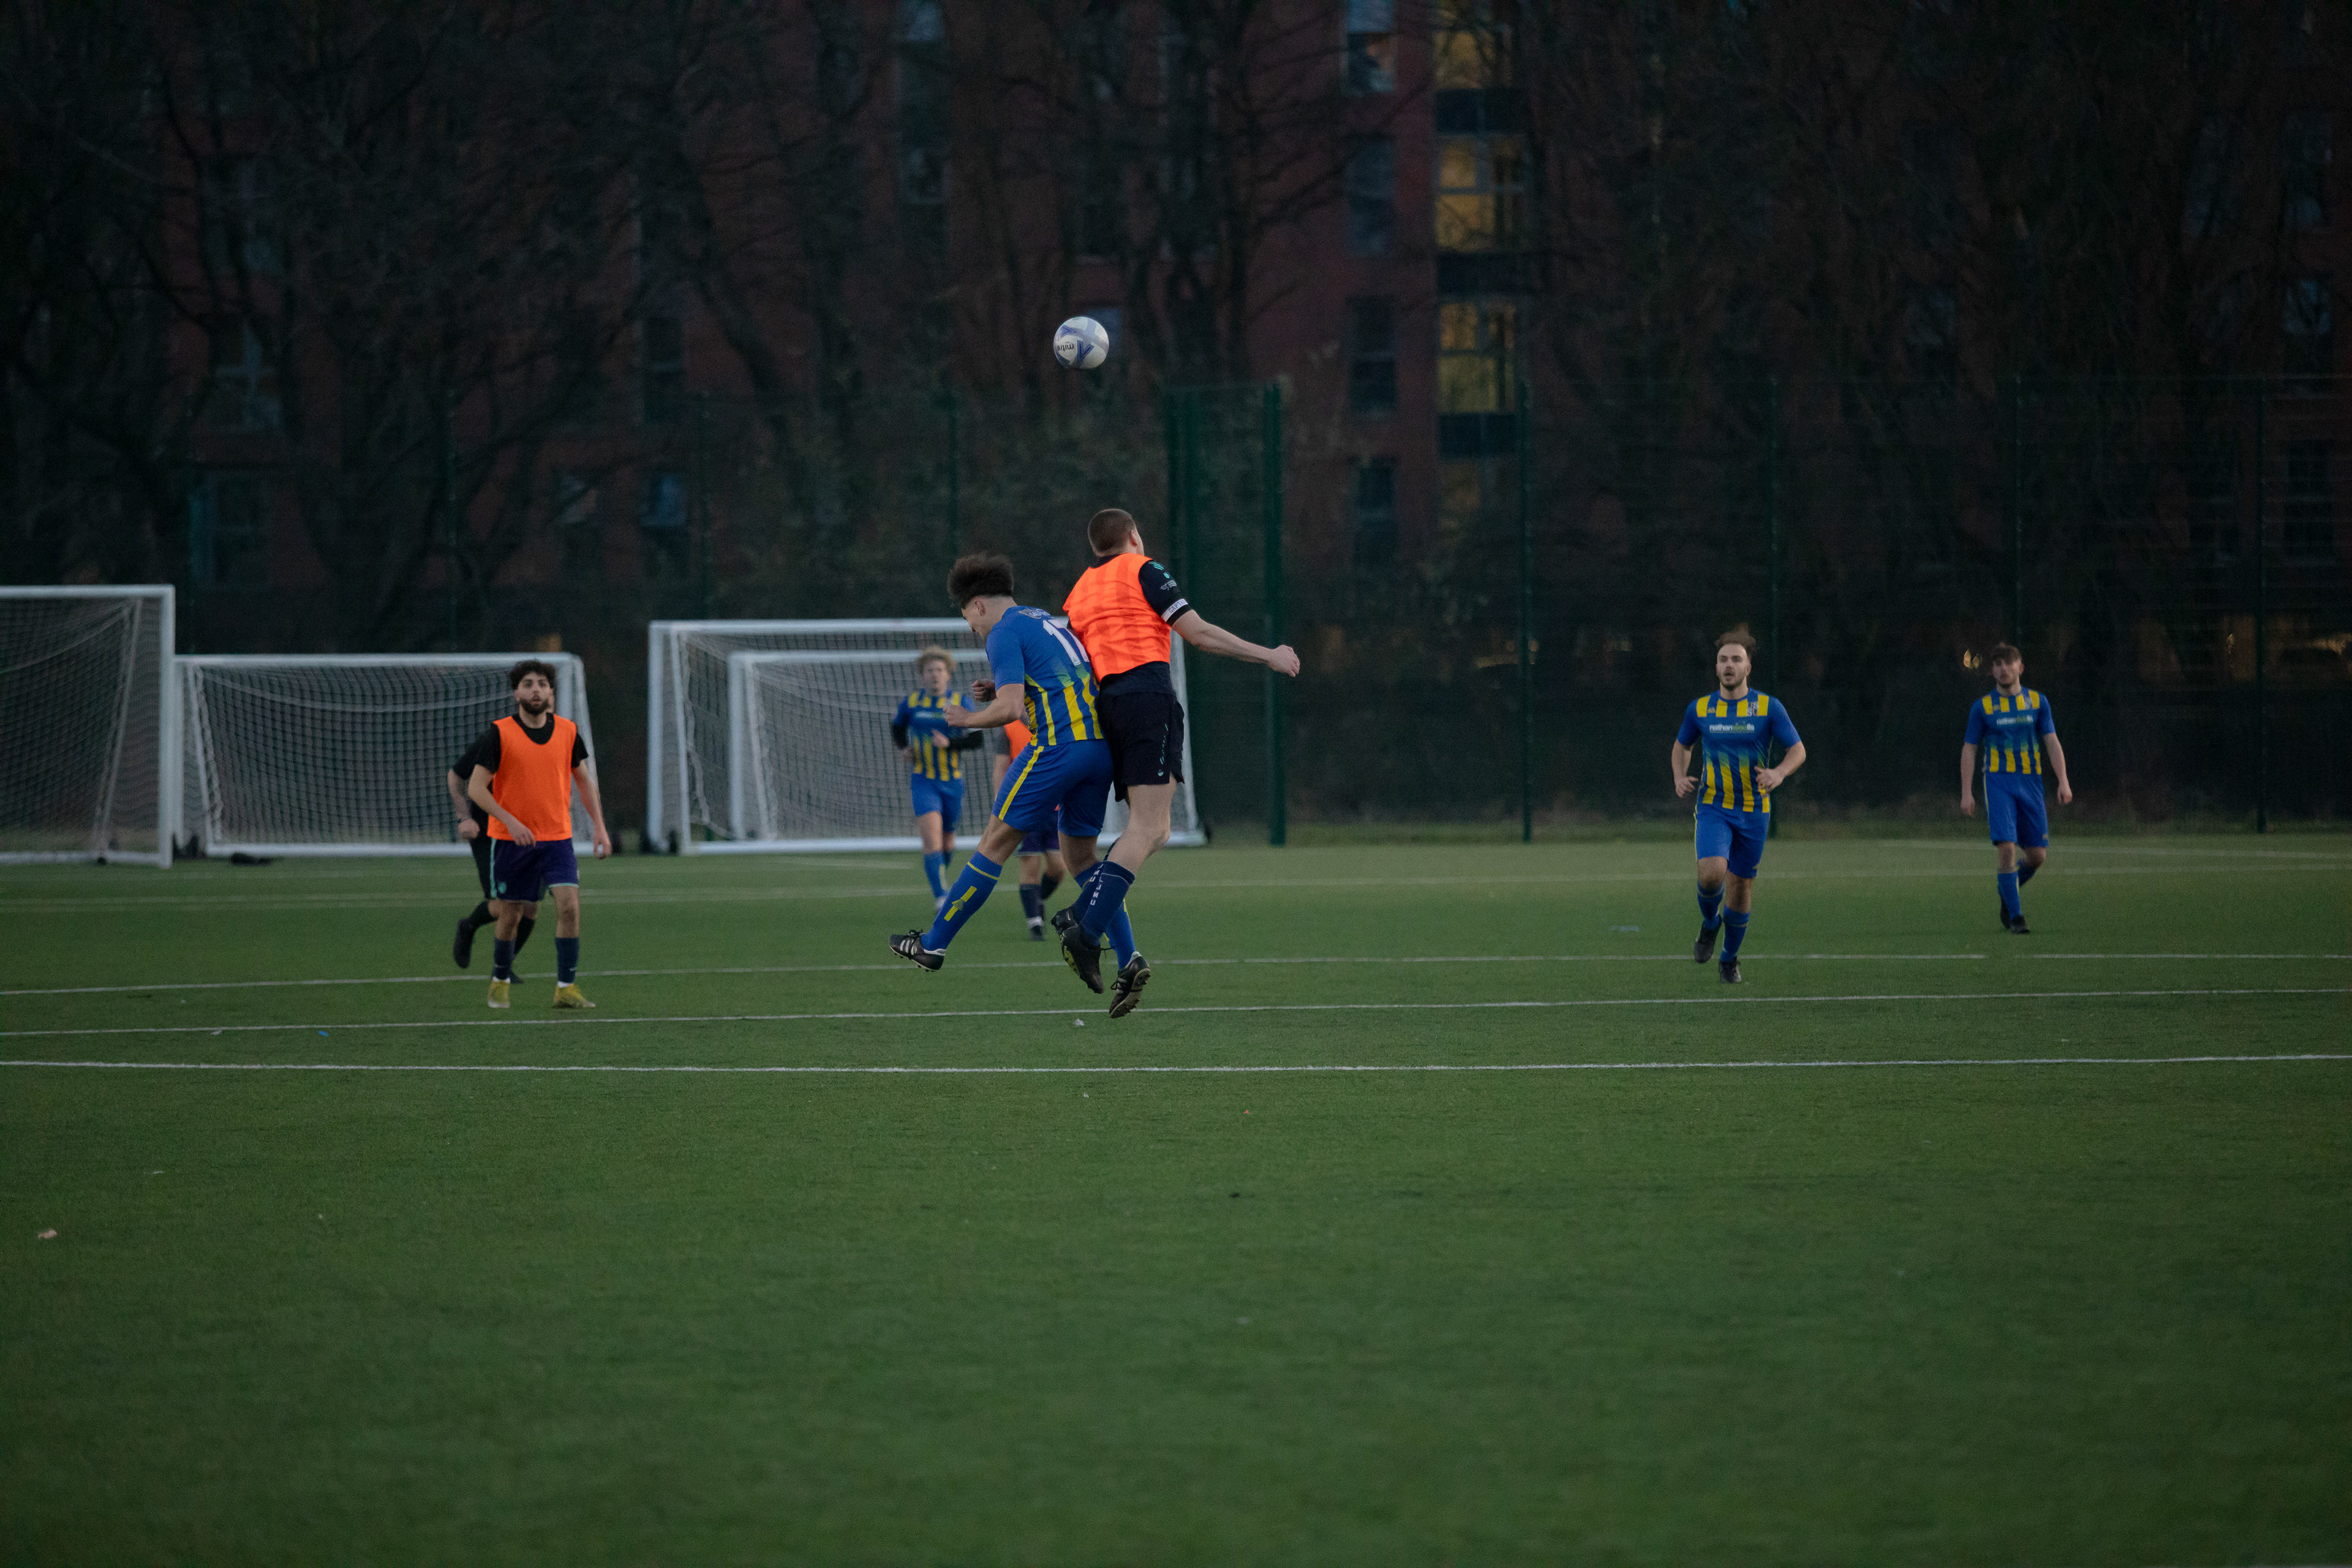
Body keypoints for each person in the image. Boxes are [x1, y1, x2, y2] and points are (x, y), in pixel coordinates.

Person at [1055, 507, 1299, 1012]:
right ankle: (1084, 928)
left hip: (1108, 708)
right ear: (1133, 537)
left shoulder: (1078, 593)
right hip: (1147, 697)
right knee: (1146, 830)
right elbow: (1199, 633)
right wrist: (1268, 654)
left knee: (1158, 830)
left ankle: (1081, 914)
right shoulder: (1145, 569)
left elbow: (1072, 665)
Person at [887, 554, 1118, 997]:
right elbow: (1059, 679)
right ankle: (1129, 959)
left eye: (969, 622)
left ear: (976, 606)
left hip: (1056, 749)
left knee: (994, 844)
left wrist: (964, 719)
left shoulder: (1003, 631)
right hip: (1099, 749)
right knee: (1087, 862)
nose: (974, 632)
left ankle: (933, 945)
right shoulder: (1042, 620)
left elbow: (1011, 711)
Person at [464, 659, 612, 1009]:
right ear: (517, 692)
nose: (536, 690)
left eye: (543, 684)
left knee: (570, 907)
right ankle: (500, 978)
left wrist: (600, 828)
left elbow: (585, 783)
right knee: (511, 914)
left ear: (551, 692)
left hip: (557, 838)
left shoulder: (568, 731)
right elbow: (476, 788)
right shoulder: (499, 733)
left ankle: (566, 988)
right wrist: (511, 822)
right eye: (528, 684)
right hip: (511, 841)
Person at [1671, 631, 1806, 984]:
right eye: (1723, 660)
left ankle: (1729, 960)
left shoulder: (1769, 708)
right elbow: (1682, 745)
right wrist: (1679, 776)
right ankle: (1710, 924)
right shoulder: (1700, 708)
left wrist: (1779, 772)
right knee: (1712, 873)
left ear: (1748, 667)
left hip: (1753, 811)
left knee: (1742, 887)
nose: (1729, 665)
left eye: (1736, 660)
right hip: (1714, 806)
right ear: (1716, 668)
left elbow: (1798, 750)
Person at [1959, 642, 2073, 935]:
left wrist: (2063, 780)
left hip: (2031, 782)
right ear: (1992, 671)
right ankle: (2017, 917)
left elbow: (2051, 741)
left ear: (2020, 668)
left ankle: (2007, 890)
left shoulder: (2038, 702)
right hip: (1998, 782)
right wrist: (1966, 792)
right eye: (1997, 664)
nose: (2002, 668)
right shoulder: (1982, 707)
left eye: (2008, 663)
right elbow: (1970, 749)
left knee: (2037, 856)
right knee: (2007, 848)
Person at [892, 646, 985, 910]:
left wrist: (950, 745)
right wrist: (904, 749)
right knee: (931, 839)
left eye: (939, 670)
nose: (934, 675)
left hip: (953, 781)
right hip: (923, 780)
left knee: (947, 842)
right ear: (922, 675)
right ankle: (941, 895)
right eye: (929, 670)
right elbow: (897, 728)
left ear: (948, 674)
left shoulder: (961, 703)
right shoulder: (911, 703)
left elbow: (976, 740)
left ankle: (940, 874)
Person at [446, 734, 536, 970]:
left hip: (529, 831)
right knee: (505, 905)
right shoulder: (499, 738)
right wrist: (464, 817)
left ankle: (504, 969)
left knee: (530, 907)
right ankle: (469, 926)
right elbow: (456, 775)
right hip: (489, 833)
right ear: (518, 696)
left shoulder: (556, 738)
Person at [990, 716, 1068, 940]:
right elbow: (1000, 768)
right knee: (1030, 866)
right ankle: (1035, 924)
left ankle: (1038, 900)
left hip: (1055, 808)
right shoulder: (1009, 728)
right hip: (1025, 807)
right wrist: (1001, 803)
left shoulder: (1057, 721)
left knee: (1058, 867)